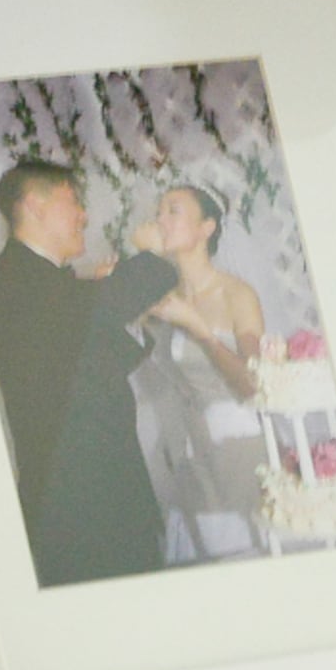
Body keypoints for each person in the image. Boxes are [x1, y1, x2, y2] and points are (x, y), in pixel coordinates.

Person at [0, 157, 182, 587]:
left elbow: (95, 363)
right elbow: (116, 297)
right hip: (80, 514)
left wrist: (109, 302)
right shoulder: (17, 280)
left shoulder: (47, 283)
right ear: (36, 205)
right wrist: (153, 252)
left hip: (103, 500)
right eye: (74, 201)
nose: (84, 216)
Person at [130, 180, 270, 561]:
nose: (161, 220)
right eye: (158, 212)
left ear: (206, 228)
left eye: (173, 211)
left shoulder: (236, 295)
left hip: (235, 448)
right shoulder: (162, 296)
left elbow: (253, 386)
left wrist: (200, 330)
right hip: (190, 450)